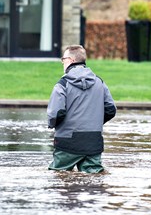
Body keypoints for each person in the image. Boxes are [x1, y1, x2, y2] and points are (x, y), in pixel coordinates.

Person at [47, 45, 116, 173]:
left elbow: (55, 114)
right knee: (94, 181)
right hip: (93, 141)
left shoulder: (62, 84)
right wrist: (94, 122)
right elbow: (111, 109)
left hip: (67, 141)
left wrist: (52, 125)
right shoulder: (99, 82)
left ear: (71, 60)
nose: (62, 62)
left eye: (64, 59)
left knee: (58, 176)